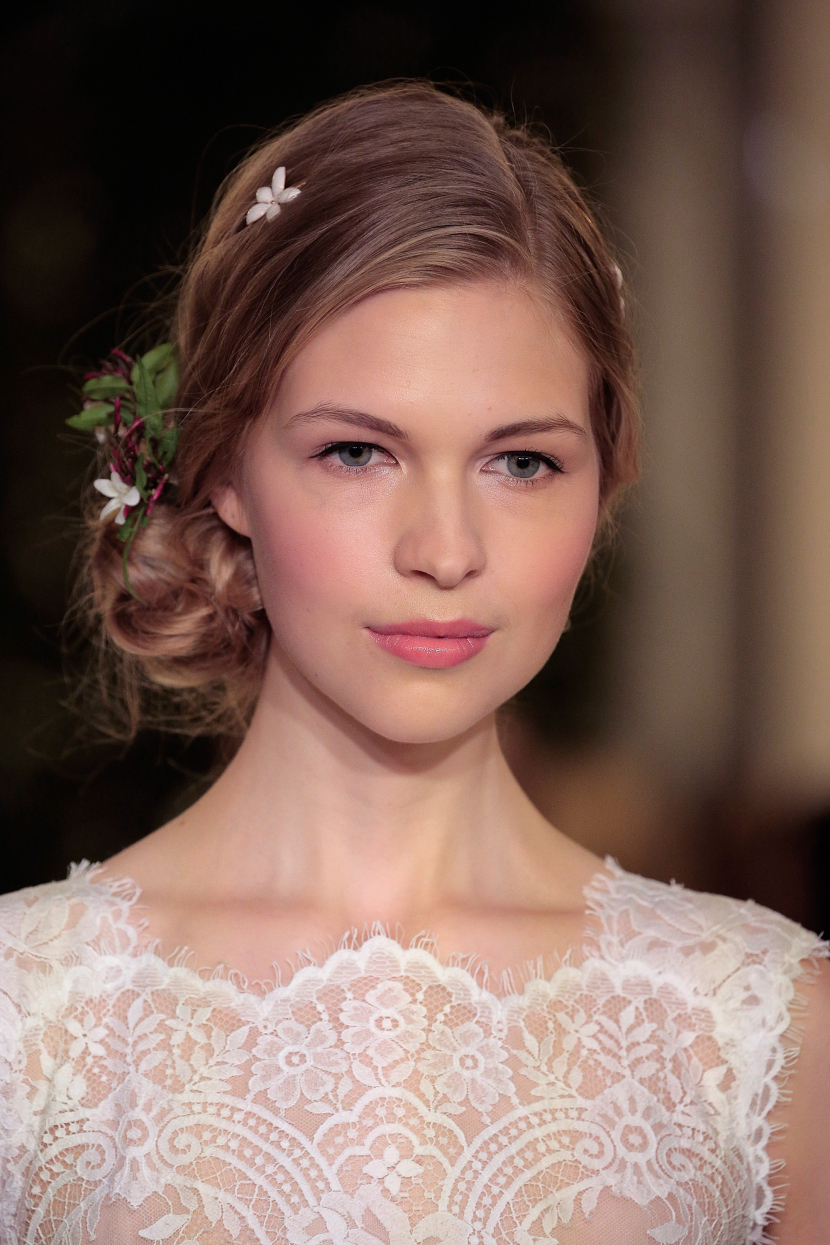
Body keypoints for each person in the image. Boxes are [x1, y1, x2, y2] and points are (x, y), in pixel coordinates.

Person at [0, 83, 827, 1245]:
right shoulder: (26, 1021)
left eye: (521, 464)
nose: (443, 551)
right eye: (356, 452)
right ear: (224, 471)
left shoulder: (765, 1036)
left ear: (603, 483)